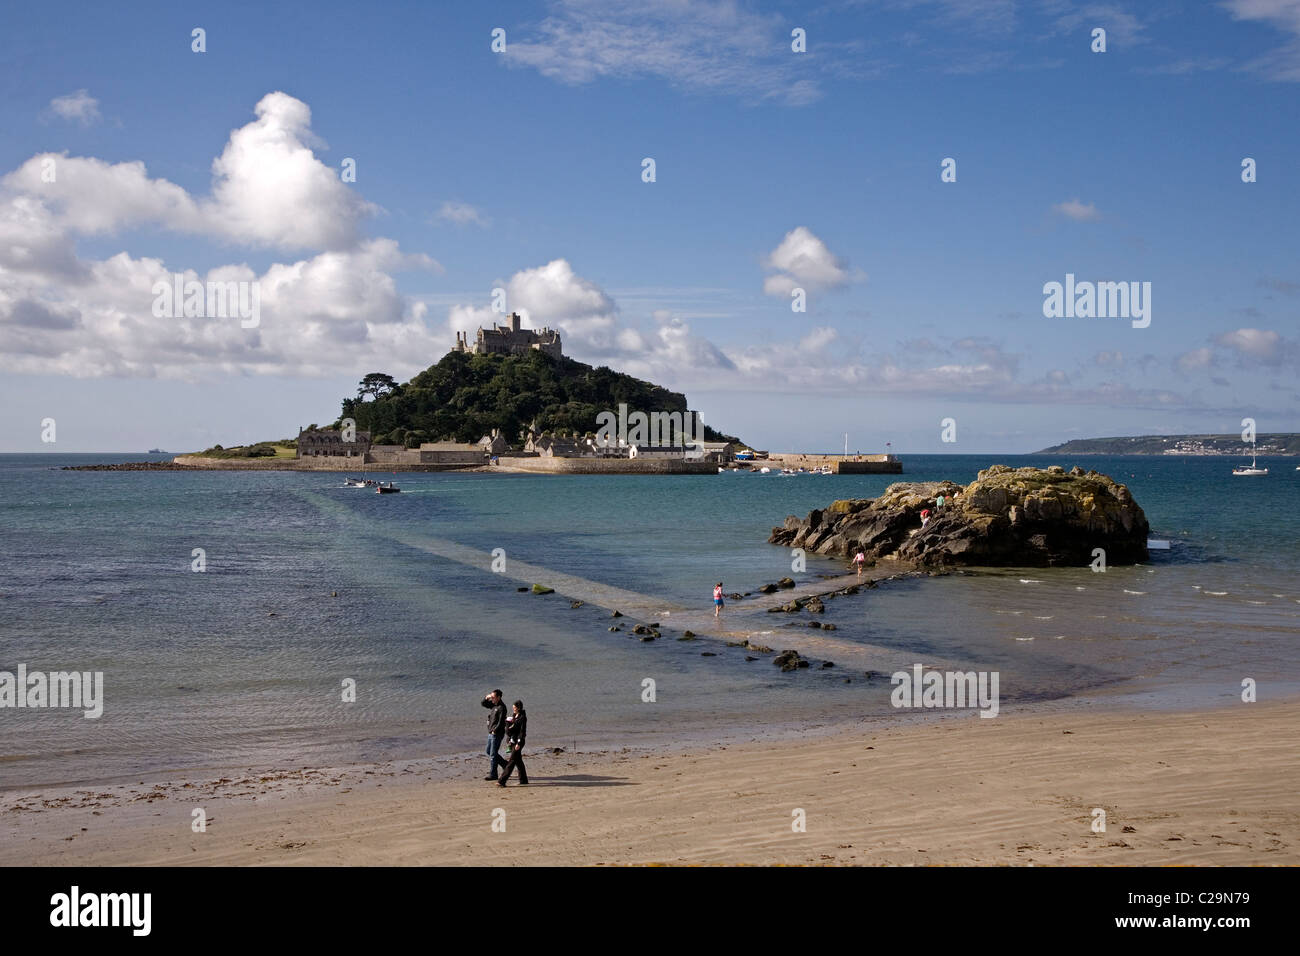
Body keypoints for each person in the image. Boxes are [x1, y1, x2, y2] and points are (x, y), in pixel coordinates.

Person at [497, 700, 528, 787]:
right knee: (518, 761)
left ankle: (502, 781)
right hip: (513, 741)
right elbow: (512, 730)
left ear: (519, 708)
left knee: (512, 761)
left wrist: (519, 742)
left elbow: (522, 732)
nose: (513, 709)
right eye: (513, 708)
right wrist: (510, 740)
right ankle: (524, 780)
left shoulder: (523, 718)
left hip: (519, 742)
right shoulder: (515, 715)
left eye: (515, 708)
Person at [480, 689, 508, 781]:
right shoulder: (494, 705)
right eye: (491, 697)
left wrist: (494, 730)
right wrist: (486, 697)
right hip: (491, 733)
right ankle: (505, 764)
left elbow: (501, 722)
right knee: (489, 751)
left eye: (493, 697)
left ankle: (493, 774)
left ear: (498, 697)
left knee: (493, 754)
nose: (492, 699)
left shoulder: (502, 708)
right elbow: (483, 704)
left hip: (497, 734)